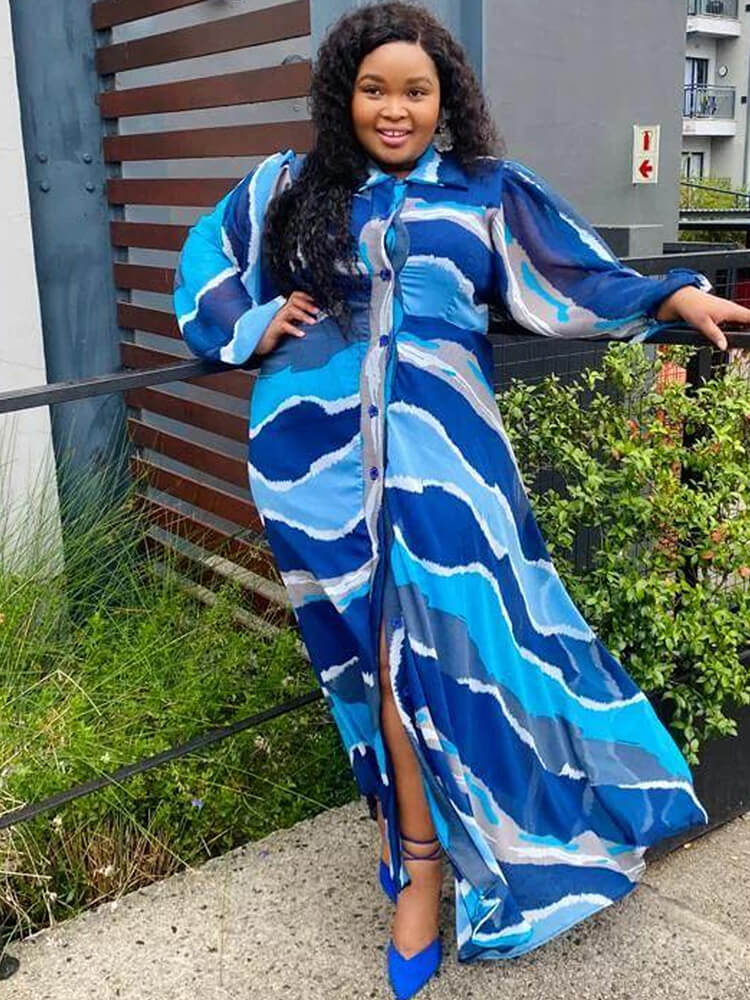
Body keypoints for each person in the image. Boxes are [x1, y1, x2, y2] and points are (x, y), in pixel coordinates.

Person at [173, 3, 750, 996]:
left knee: (444, 650)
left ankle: (428, 869)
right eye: (374, 89)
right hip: (314, 467)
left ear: (446, 100)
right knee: (366, 661)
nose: (394, 110)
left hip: (447, 464)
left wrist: (673, 295)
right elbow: (204, 264)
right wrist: (252, 321)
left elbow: (576, 275)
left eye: (416, 91)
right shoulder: (289, 184)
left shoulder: (486, 191)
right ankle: (411, 841)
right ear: (345, 95)